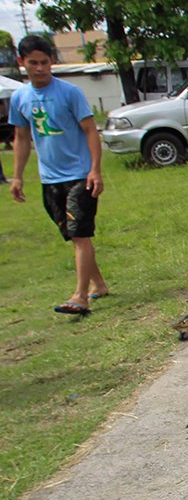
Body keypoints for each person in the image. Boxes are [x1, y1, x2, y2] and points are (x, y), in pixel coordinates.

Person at [8, 34, 110, 315]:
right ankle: (98, 284)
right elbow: (21, 136)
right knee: (74, 236)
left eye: (44, 62)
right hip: (49, 178)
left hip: (79, 175)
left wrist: (94, 170)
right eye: (33, 63)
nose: (40, 68)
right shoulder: (20, 97)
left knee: (80, 235)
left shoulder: (69, 93)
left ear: (51, 62)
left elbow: (91, 131)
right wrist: (17, 176)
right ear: (22, 63)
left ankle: (80, 296)